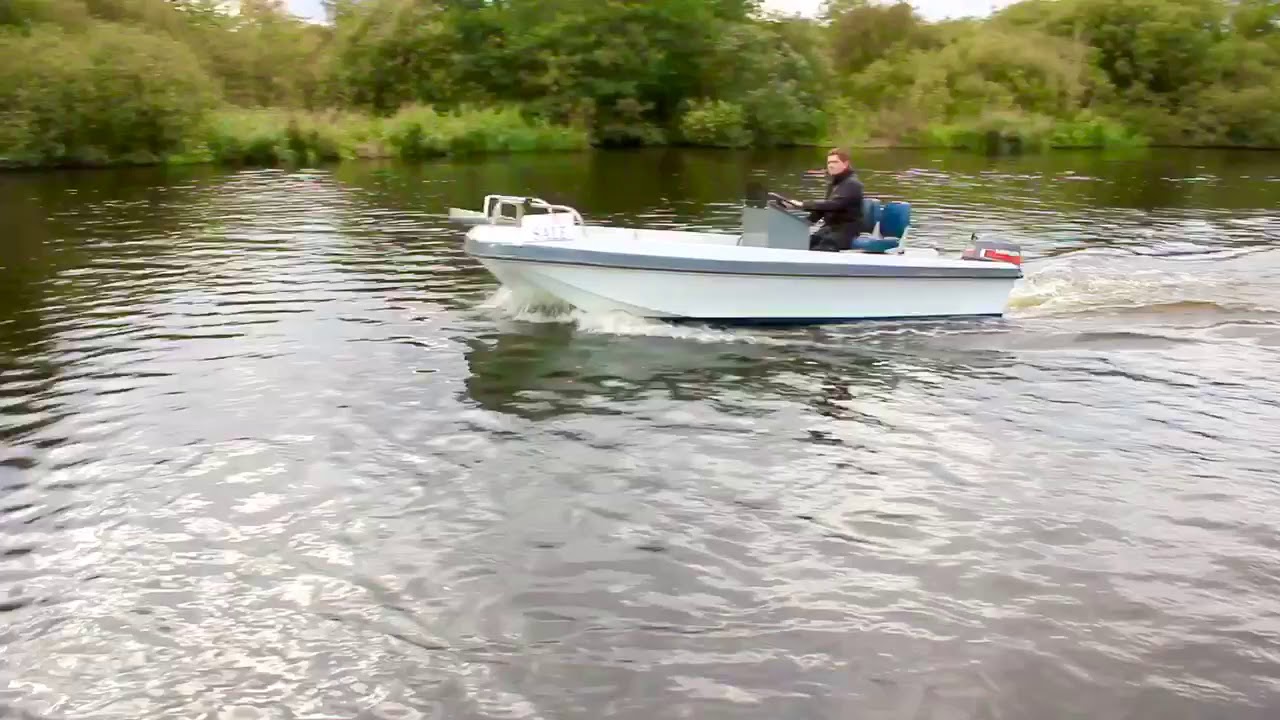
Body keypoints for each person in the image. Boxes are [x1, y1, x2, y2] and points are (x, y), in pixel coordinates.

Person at [783, 148, 865, 252]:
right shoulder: (833, 184)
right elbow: (824, 209)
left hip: (846, 231)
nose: (831, 165)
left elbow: (835, 205)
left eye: (835, 162)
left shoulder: (853, 184)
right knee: (805, 242)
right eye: (829, 162)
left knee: (824, 247)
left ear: (845, 164)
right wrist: (805, 222)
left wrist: (803, 204)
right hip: (830, 228)